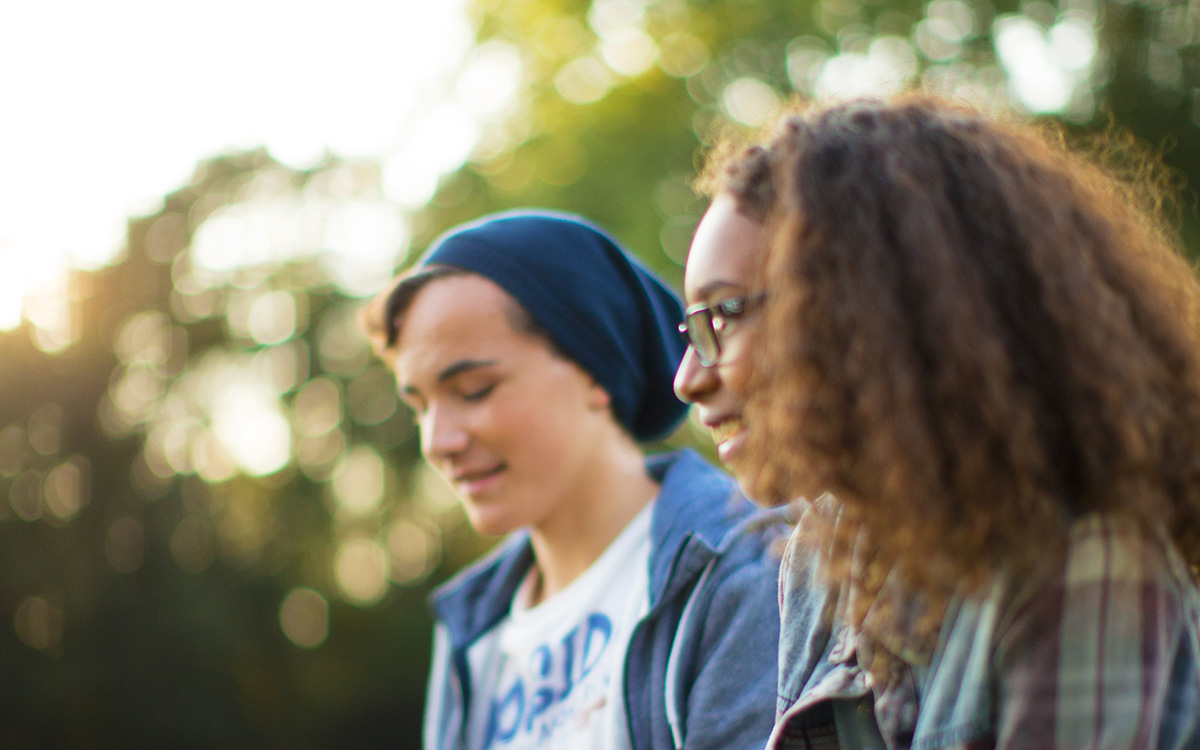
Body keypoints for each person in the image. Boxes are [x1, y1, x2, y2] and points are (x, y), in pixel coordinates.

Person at [679, 94, 1200, 747]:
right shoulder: (825, 551)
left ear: (864, 308)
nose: (688, 377)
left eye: (721, 316)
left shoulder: (1084, 566)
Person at [361, 209, 783, 750]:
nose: (437, 442)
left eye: (473, 390)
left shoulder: (743, 570)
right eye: (420, 406)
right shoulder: (472, 626)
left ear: (594, 372)